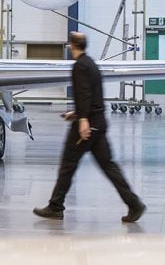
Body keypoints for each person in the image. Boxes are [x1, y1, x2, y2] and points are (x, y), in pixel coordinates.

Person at [33, 32, 145, 223]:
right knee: (109, 166)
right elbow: (92, 96)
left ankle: (55, 206)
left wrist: (82, 119)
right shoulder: (91, 63)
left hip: (87, 127)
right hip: (98, 123)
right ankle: (134, 204)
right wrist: (76, 113)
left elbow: (84, 94)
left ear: (72, 46)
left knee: (68, 165)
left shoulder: (80, 66)